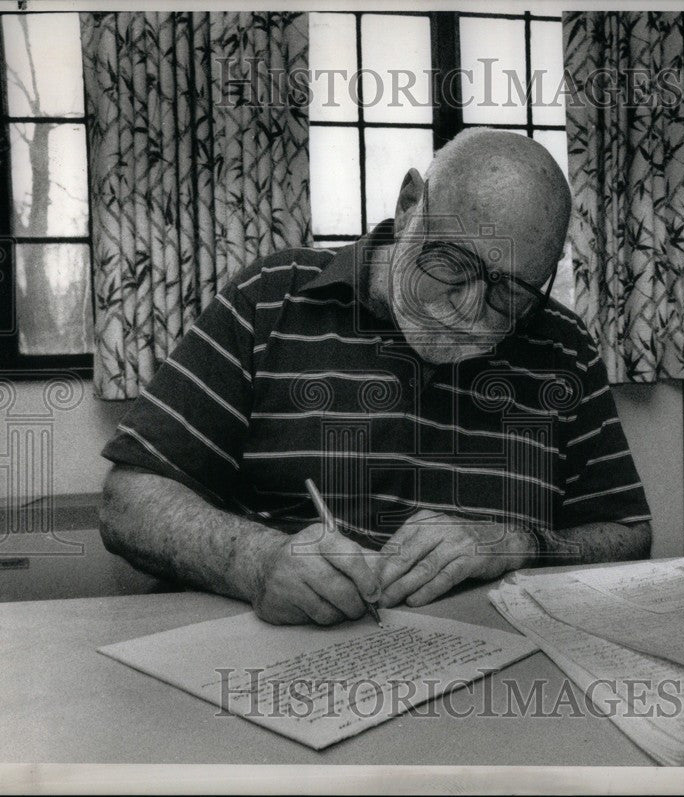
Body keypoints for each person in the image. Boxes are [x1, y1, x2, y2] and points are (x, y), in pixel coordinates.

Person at [100, 128, 652, 626]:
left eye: (509, 293)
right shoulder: (273, 297)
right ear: (410, 205)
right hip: (281, 661)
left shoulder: (562, 346)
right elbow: (129, 502)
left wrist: (522, 543)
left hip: (493, 677)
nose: (469, 311)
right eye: (453, 265)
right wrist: (254, 561)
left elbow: (627, 533)